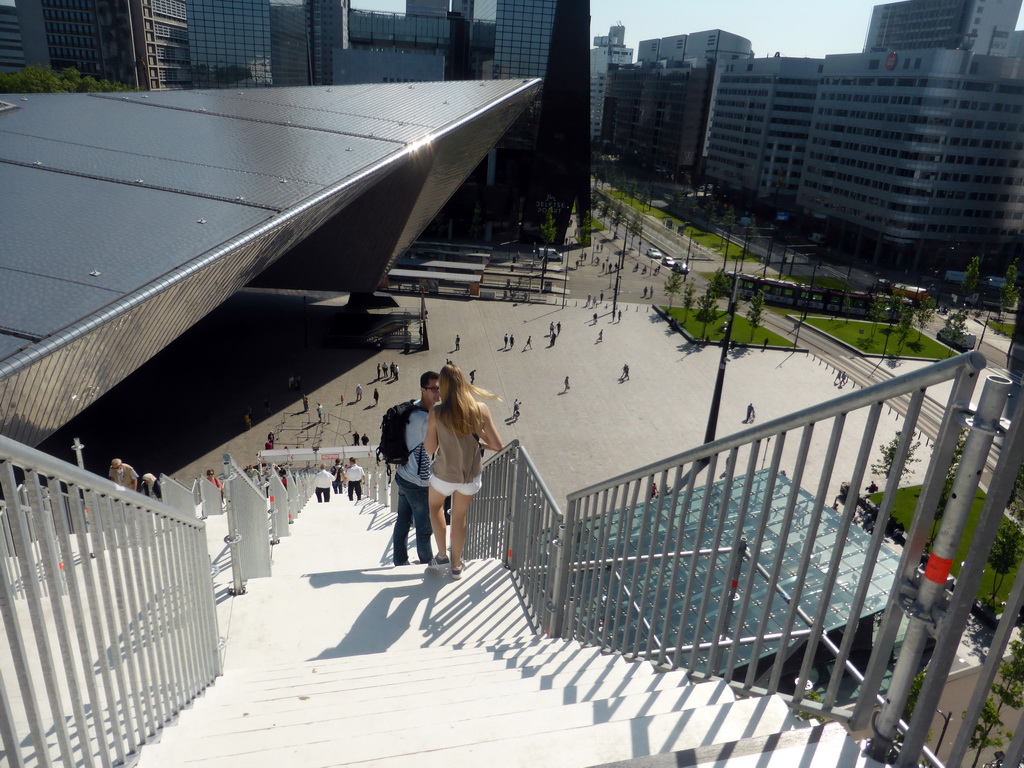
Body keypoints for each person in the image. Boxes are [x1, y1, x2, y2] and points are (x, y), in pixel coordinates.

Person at [424, 365, 503, 580]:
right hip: (470, 476)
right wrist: (480, 442)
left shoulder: (436, 412)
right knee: (459, 517)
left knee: (435, 506)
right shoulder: (481, 409)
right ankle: (457, 567)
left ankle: (441, 556)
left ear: (445, 387)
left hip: (444, 475)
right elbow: (497, 445)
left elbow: (429, 449)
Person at [392, 371, 441, 566]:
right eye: (433, 388)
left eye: (439, 387)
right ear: (423, 390)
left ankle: (400, 561)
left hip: (403, 475)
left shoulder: (413, 408)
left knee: (403, 522)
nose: (438, 392)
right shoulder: (426, 420)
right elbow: (436, 448)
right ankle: (427, 563)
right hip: (417, 482)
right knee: (424, 527)